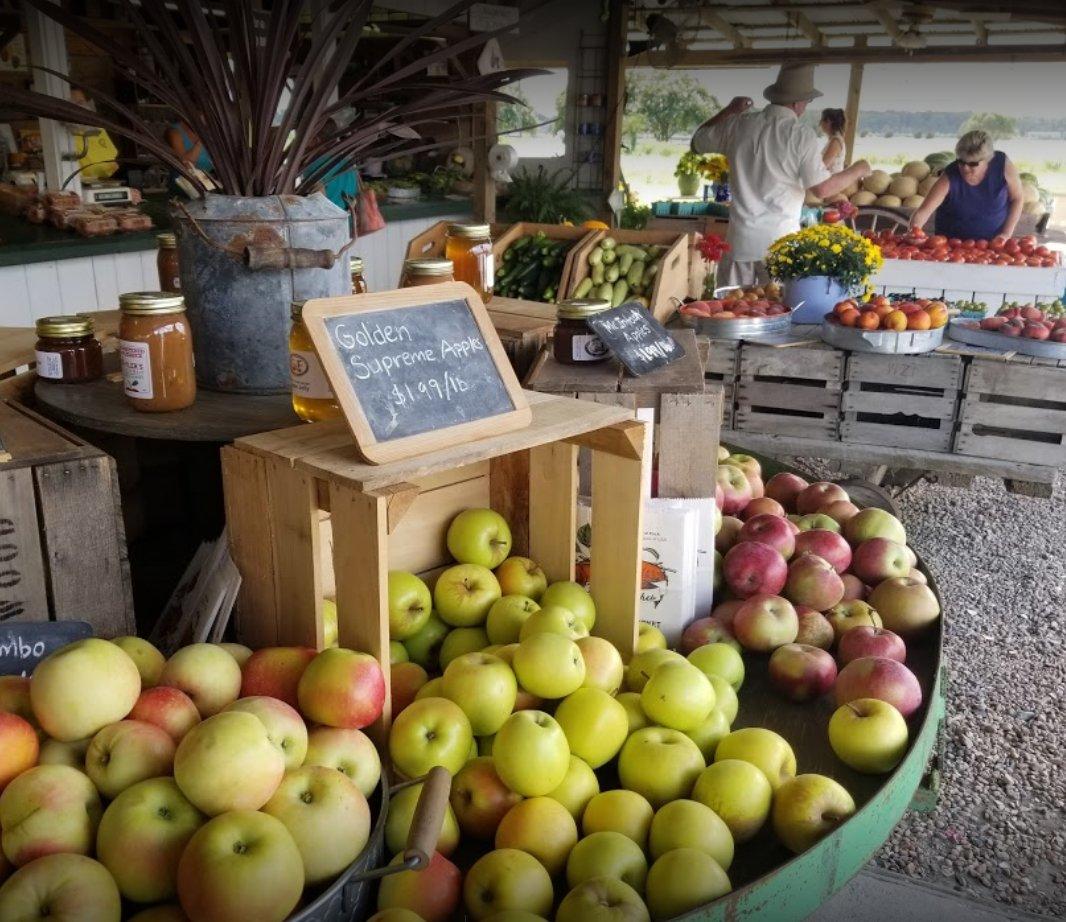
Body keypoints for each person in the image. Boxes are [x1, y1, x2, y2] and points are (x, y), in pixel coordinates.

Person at [691, 64, 871, 286]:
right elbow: (822, 189)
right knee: (777, 314)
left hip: (739, 243)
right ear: (798, 102)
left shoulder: (738, 124)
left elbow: (697, 141)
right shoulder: (800, 135)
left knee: (731, 312)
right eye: (807, 101)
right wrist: (858, 169)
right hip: (780, 246)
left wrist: (729, 110)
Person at [908, 130, 1023, 240]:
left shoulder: (1003, 166)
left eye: (973, 164)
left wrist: (1006, 234)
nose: (965, 168)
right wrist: (914, 232)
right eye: (961, 161)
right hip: (951, 247)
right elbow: (923, 212)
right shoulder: (949, 176)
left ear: (988, 160)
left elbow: (1017, 198)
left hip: (994, 245)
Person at [820, 108, 846, 173]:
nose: (820, 123)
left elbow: (824, 165)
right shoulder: (834, 140)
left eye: (822, 120)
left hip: (833, 180)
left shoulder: (836, 141)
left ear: (828, 121)